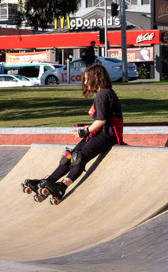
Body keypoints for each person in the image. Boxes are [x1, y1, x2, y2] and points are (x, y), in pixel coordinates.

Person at [22, 63, 124, 203]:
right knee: (68, 156)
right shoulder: (105, 93)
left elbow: (102, 120)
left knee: (79, 157)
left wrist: (85, 131)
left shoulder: (104, 94)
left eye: (88, 79)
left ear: (96, 77)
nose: (85, 82)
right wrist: (88, 128)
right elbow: (103, 119)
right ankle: (48, 182)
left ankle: (62, 186)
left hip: (108, 135)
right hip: (101, 132)